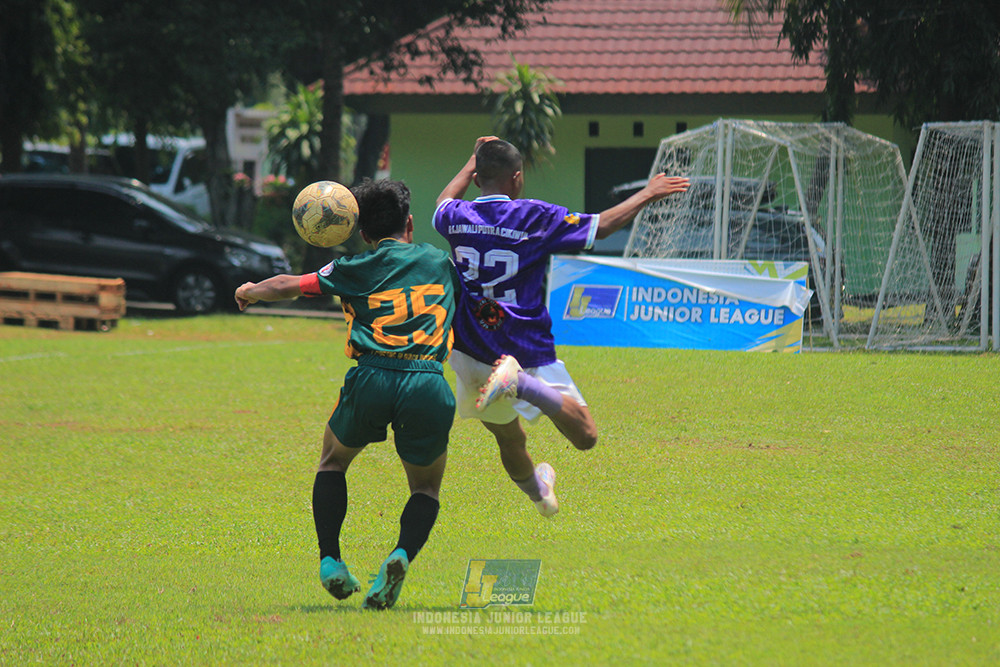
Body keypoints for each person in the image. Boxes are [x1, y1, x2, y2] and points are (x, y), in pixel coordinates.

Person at [434, 137, 689, 517]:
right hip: (524, 349)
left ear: (476, 179)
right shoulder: (535, 215)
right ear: (517, 179)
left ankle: (540, 496)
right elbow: (601, 227)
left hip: (471, 351)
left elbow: (440, 201)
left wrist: (472, 159)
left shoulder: (455, 217)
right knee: (585, 436)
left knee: (510, 440)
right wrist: (648, 194)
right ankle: (523, 385)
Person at [235, 178, 459, 611]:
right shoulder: (439, 261)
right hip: (428, 381)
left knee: (333, 461)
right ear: (409, 222)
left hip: (373, 376)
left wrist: (250, 291)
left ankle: (331, 562)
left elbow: (289, 284)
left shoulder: (355, 266)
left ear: (359, 230)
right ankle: (399, 556)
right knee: (426, 489)